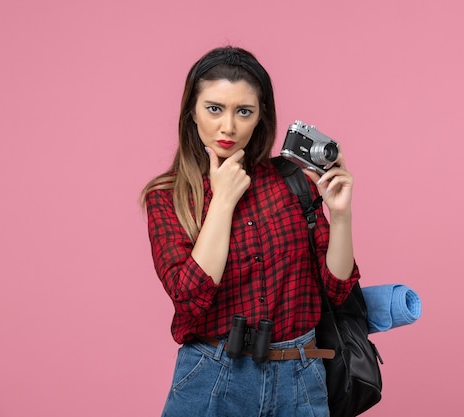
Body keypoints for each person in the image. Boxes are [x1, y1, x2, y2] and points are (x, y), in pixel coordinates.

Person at [141, 46, 360, 417]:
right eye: (214, 108)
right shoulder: (167, 196)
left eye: (244, 111)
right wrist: (223, 201)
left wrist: (340, 216)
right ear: (191, 113)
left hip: (300, 377)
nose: (228, 127)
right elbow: (189, 297)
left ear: (260, 117)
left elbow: (337, 288)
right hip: (212, 375)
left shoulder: (291, 181)